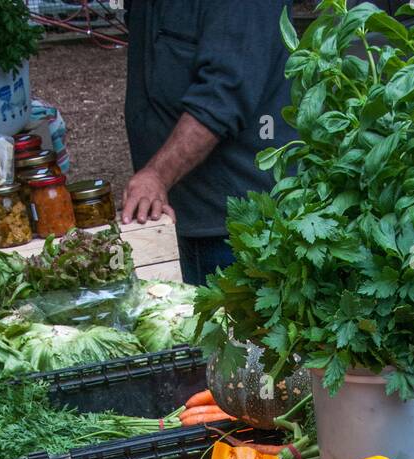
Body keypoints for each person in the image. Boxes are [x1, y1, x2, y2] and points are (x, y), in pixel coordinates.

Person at [122, 1, 295, 285]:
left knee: (235, 327)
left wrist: (157, 175)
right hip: (179, 217)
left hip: (234, 225)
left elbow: (222, 97)